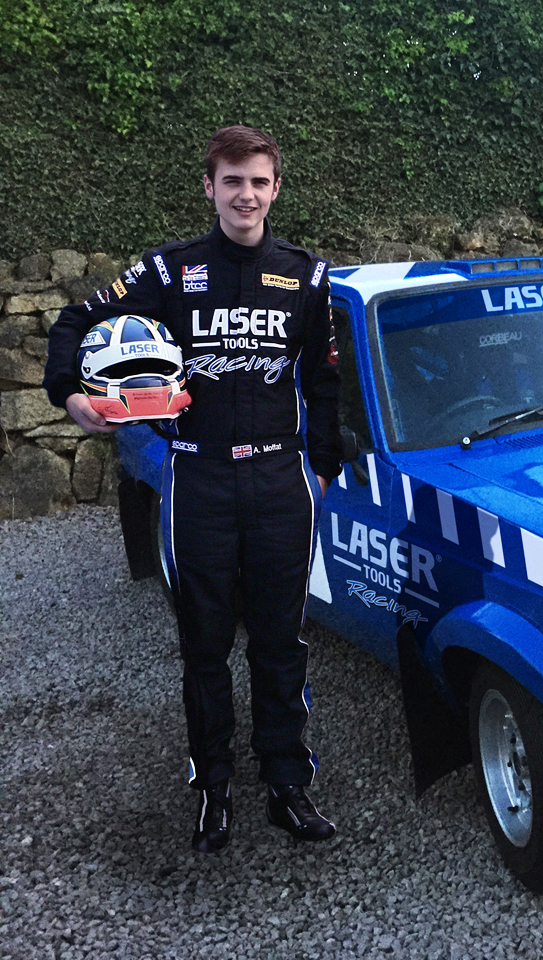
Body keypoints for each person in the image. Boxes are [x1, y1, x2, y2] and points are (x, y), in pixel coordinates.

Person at [43, 125, 341, 853]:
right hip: (199, 476)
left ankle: (287, 782)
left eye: (259, 181)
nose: (246, 194)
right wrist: (71, 395)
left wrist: (325, 466)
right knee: (204, 646)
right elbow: (77, 318)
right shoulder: (171, 272)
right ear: (209, 188)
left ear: (277, 188)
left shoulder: (307, 275)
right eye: (232, 181)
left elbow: (326, 381)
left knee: (280, 642)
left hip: (279, 479)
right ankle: (212, 785)